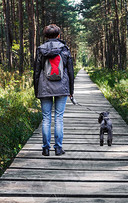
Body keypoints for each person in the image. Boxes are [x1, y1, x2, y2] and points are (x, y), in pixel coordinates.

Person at [33, 24, 74, 156]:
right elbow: (70, 71)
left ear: (45, 36)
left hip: (44, 87)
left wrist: (36, 90)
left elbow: (37, 71)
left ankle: (45, 148)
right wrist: (71, 90)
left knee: (46, 118)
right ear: (58, 35)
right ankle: (58, 148)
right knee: (58, 118)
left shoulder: (40, 50)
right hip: (62, 87)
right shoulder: (64, 48)